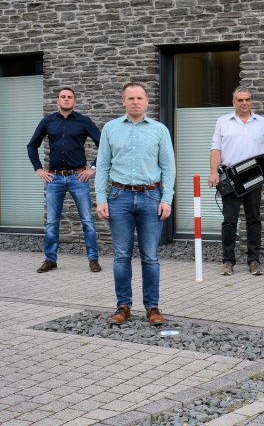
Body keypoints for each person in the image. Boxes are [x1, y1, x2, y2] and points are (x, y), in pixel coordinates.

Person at [95, 82, 176, 326]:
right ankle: (123, 307)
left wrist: (167, 199)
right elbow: (103, 166)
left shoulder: (160, 130)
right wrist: (101, 198)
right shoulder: (110, 129)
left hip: (151, 197)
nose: (135, 102)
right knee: (121, 256)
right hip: (119, 197)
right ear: (123, 101)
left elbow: (168, 167)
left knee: (150, 256)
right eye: (130, 98)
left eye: (139, 98)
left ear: (147, 101)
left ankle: (152, 307)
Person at [27, 87, 102, 274]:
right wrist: (39, 169)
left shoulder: (83, 121)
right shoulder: (48, 121)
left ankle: (93, 259)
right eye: (63, 97)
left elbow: (104, 144)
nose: (66, 99)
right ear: (58, 100)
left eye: (70, 97)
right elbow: (32, 145)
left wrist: (93, 168)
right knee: (52, 222)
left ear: (74, 101)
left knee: (87, 221)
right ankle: (50, 260)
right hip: (55, 179)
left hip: (78, 177)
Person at [208, 86, 264, 276]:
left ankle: (254, 261)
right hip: (231, 177)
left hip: (255, 178)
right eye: (240, 100)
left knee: (254, 219)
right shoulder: (223, 122)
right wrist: (213, 172)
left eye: (247, 99)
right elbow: (216, 149)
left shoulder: (262, 122)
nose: (244, 103)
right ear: (234, 102)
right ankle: (228, 261)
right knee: (229, 220)